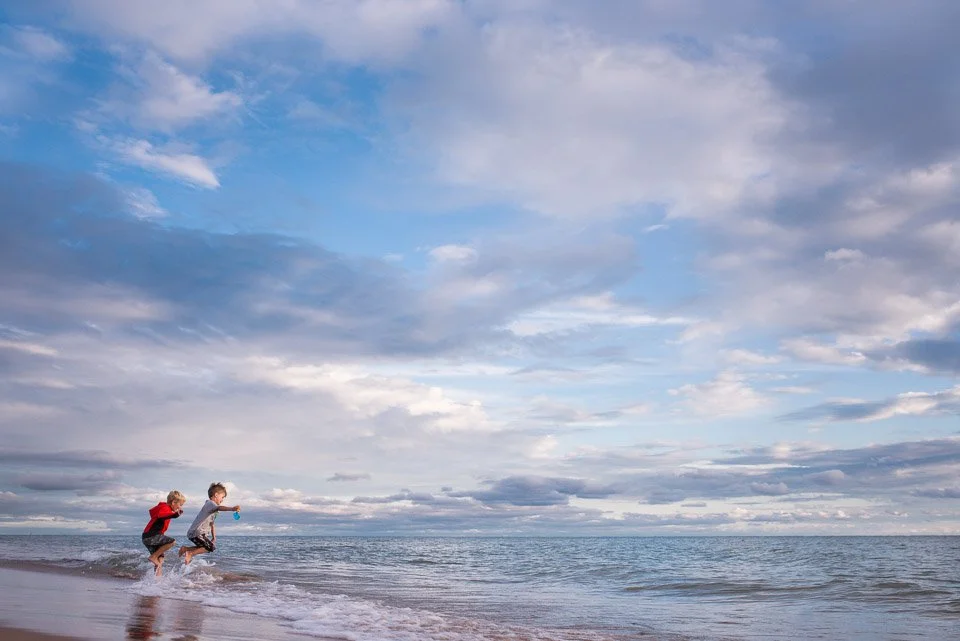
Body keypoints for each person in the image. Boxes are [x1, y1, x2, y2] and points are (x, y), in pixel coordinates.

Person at [178, 482, 240, 564]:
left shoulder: (214, 510)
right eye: (222, 497)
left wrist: (214, 537)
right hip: (197, 532)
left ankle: (185, 549)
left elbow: (212, 524)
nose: (222, 500)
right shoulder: (210, 503)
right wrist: (232, 509)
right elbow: (219, 507)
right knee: (210, 547)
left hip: (196, 533)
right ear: (216, 495)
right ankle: (190, 553)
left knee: (205, 547)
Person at [142, 490, 185, 576]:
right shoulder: (165, 508)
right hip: (151, 536)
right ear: (173, 502)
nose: (180, 507)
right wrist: (174, 515)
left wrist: (173, 514)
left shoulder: (166, 509)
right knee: (172, 542)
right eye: (180, 505)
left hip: (147, 537)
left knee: (160, 560)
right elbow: (162, 516)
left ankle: (157, 582)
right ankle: (153, 557)